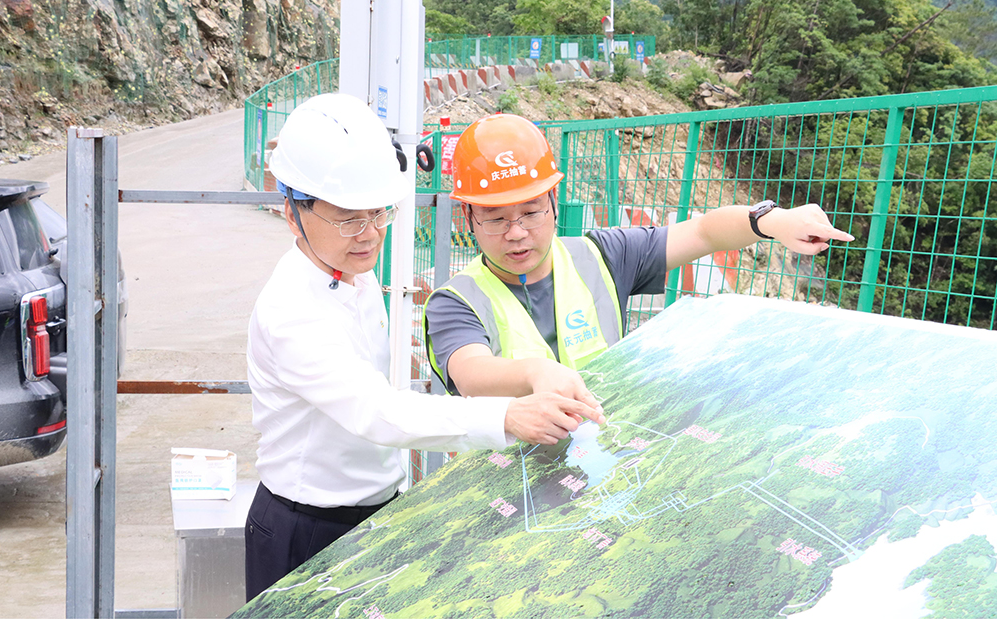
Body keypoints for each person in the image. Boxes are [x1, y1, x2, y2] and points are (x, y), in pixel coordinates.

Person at [245, 95, 604, 601]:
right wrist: (508, 415)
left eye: (379, 212)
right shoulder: (291, 311)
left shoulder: (349, 270)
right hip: (305, 527)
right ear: (292, 212)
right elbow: (379, 411)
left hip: (371, 509)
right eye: (348, 219)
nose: (370, 235)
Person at [425, 113, 855, 400]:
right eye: (496, 218)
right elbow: (471, 372)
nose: (516, 232)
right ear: (468, 217)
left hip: (600, 463)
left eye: (531, 212)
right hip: (504, 489)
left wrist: (772, 220)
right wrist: (535, 374)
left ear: (554, 201)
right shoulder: (455, 302)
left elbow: (702, 232)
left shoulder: (602, 256)